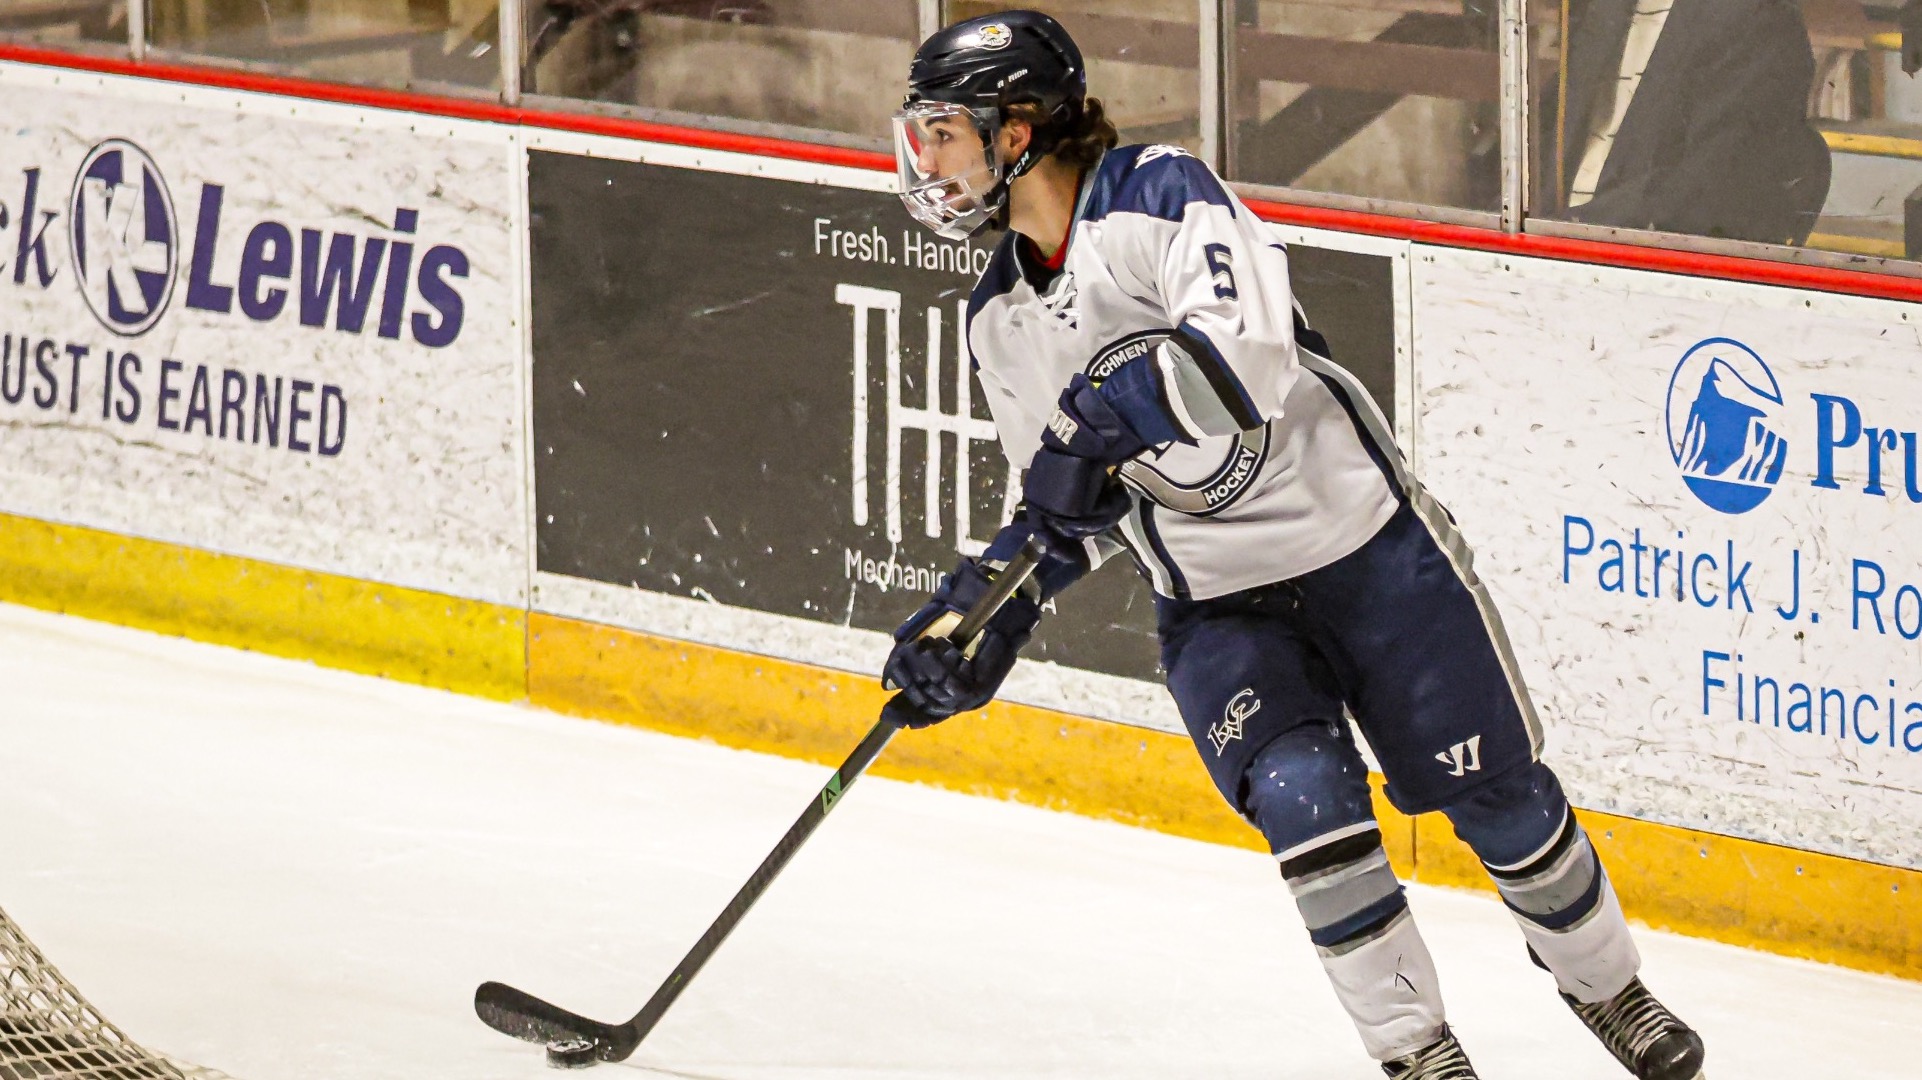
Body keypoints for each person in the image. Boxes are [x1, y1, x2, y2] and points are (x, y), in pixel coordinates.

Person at [881, 11, 1706, 1080]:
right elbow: (1071, 500)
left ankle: (1610, 992)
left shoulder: (1157, 194)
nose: (925, 160)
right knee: (1305, 807)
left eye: (945, 132)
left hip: (1364, 548)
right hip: (1219, 604)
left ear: (1018, 130)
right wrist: (990, 606)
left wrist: (1107, 402)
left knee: (1496, 796)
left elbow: (1247, 360)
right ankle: (1417, 1054)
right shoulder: (998, 318)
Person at [1544, 0, 1831, 246]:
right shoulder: (1605, 9)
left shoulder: (1757, 16)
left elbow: (1707, 188)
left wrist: (1563, 229)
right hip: (1553, 247)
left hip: (1640, 266)